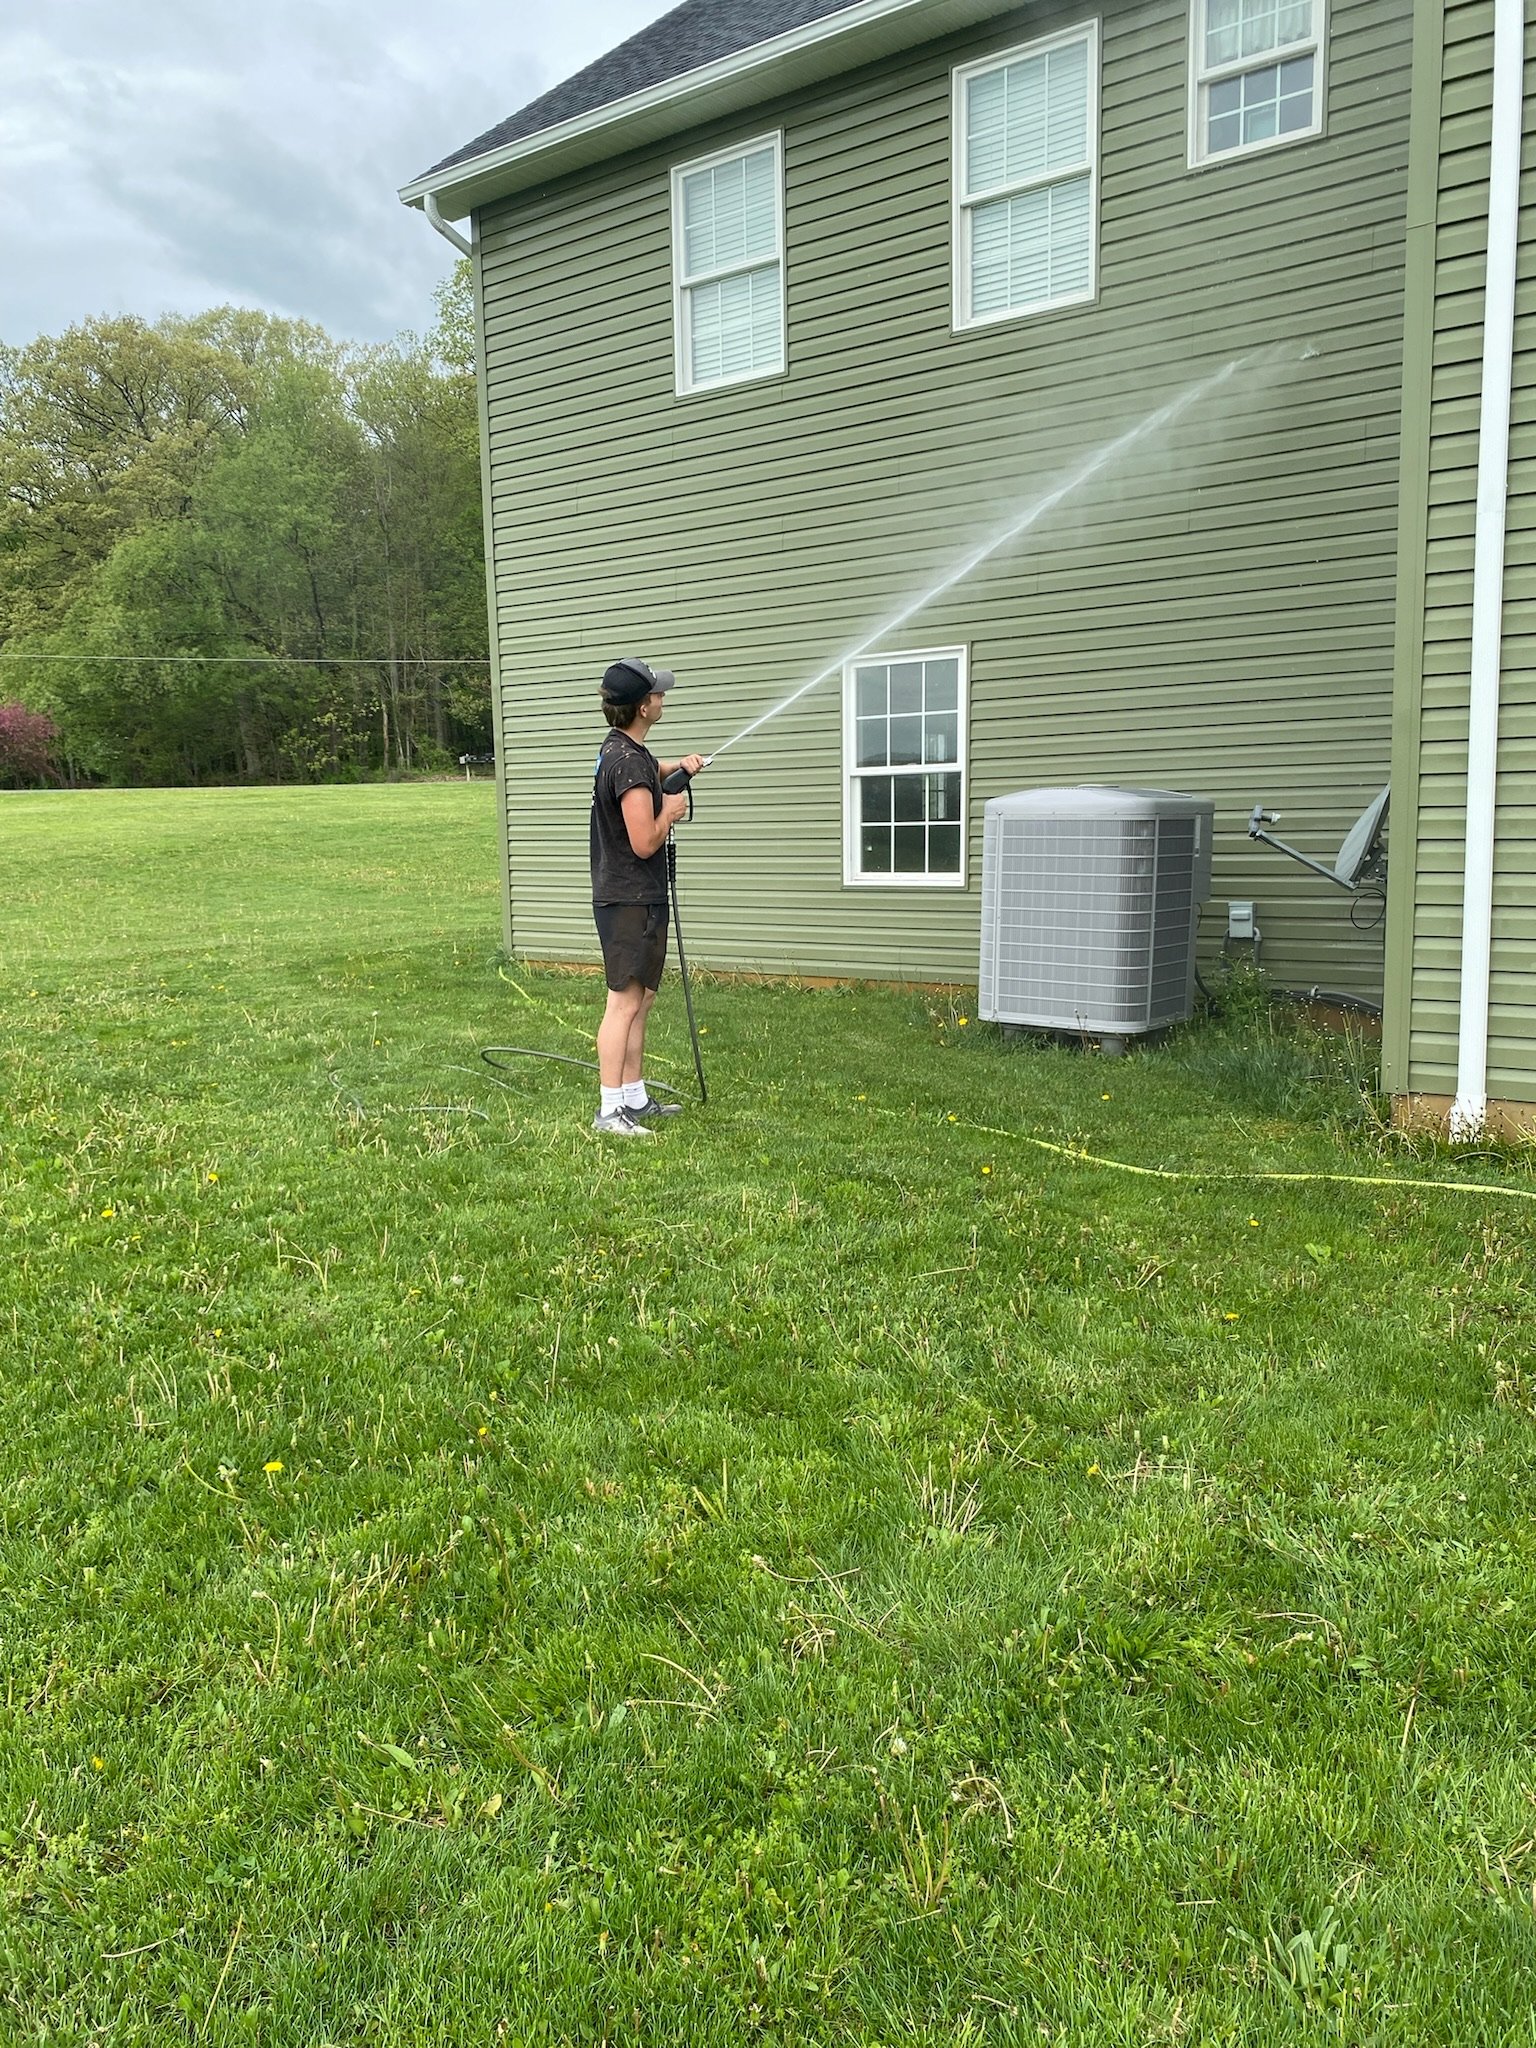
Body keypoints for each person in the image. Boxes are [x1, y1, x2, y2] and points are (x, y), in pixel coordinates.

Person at [589, 657, 705, 1137]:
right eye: (657, 693)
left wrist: (677, 766)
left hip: (634, 895)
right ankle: (610, 1110)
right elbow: (643, 841)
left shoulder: (623, 750)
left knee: (642, 998)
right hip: (629, 898)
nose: (662, 697)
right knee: (623, 1001)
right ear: (643, 706)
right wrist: (672, 811)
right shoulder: (629, 765)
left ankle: (633, 1097)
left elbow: (646, 768)